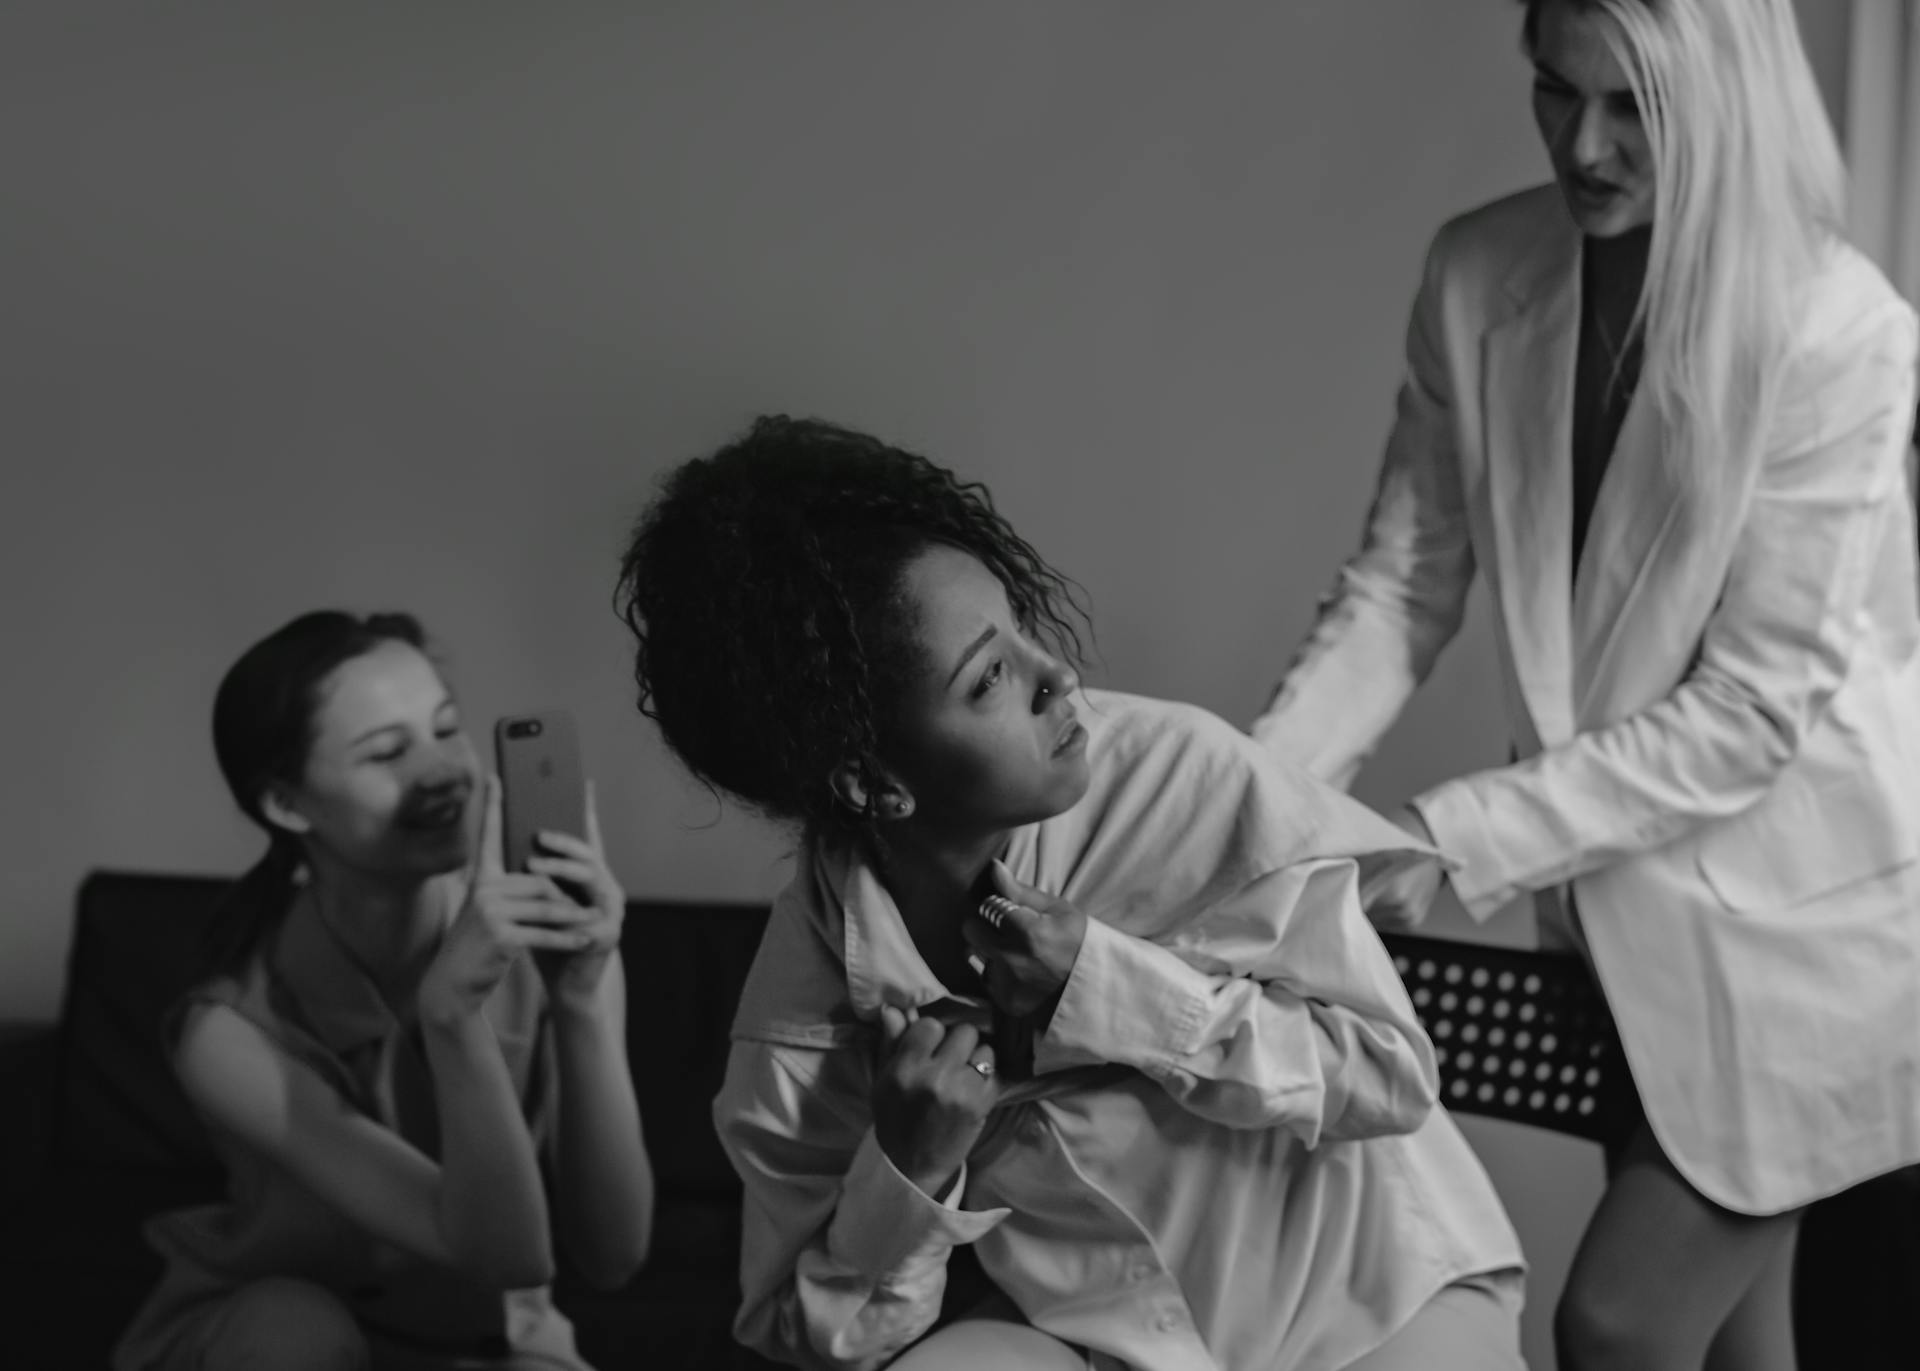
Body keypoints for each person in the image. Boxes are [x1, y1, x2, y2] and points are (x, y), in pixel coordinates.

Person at [1250, 3, 1920, 1369]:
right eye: (1556, 92)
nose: (1585, 145)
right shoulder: (1476, 271)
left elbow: (1748, 714)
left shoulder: (1840, 328)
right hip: (1618, 923)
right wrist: (1255, 799)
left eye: (1635, 108)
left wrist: (1449, 833)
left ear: (1727, 98)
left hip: (1805, 936)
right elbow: (1403, 583)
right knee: (1747, 1347)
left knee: (1615, 1325)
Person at [614, 415, 1525, 1371]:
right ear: (872, 785)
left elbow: (1388, 1075)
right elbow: (806, 1336)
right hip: (1110, 1341)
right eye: (990, 678)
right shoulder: (803, 1032)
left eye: (1023, 630)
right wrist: (907, 1169)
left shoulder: (1177, 780)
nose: (1059, 677)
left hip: (1377, 1290)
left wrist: (1111, 990)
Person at [114, 611, 653, 1371]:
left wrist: (583, 999)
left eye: (444, 729)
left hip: (489, 1338)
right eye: (387, 752)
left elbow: (611, 1256)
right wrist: (452, 1016)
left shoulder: (543, 934)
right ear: (286, 804)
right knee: (293, 1331)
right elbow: (497, 1250)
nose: (441, 771)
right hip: (276, 1338)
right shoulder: (227, 1032)